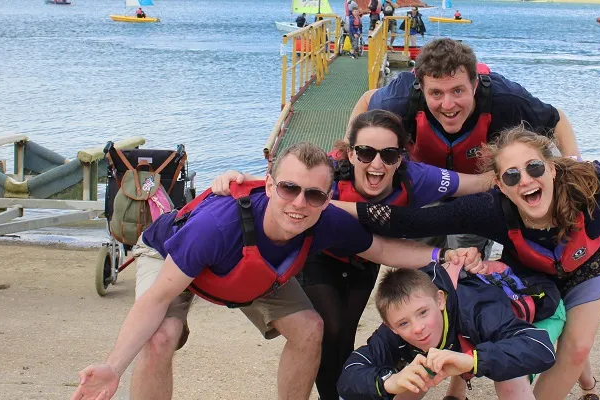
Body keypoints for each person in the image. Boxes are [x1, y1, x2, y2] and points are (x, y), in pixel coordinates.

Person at [334, 112, 600, 400]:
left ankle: (583, 388)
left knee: (574, 347)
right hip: (532, 273)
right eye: (510, 176)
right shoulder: (491, 209)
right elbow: (408, 222)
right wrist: (333, 207)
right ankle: (586, 385)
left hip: (588, 267)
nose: (524, 180)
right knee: (544, 333)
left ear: (553, 168)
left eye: (533, 168)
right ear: (501, 186)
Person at [69, 142, 482, 400]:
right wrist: (113, 367)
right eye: (289, 188)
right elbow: (156, 300)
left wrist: (442, 259)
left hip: (251, 273)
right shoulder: (215, 227)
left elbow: (380, 248)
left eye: (315, 194)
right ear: (269, 185)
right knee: (160, 336)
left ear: (326, 198)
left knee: (310, 328)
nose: (299, 203)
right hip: (173, 257)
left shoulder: (321, 218)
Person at [210, 110, 498, 400]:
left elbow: (477, 183)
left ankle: (345, 391)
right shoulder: (328, 172)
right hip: (320, 255)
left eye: (388, 155)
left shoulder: (418, 178)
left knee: (345, 335)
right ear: (349, 154)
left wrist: (520, 173)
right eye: (364, 153)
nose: (376, 163)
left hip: (365, 258)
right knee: (329, 329)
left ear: (401, 157)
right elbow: (284, 182)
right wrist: (239, 177)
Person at [348, 37, 581, 257]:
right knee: (424, 264)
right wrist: (347, 154)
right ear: (421, 88)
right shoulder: (398, 101)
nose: (448, 105)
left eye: (458, 91)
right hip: (423, 189)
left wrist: (574, 170)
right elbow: (367, 100)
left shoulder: (505, 99)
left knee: (468, 261)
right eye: (436, 93)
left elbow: (556, 120)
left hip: (477, 191)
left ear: (475, 84)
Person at [337, 265, 557, 399]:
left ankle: (588, 384)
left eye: (423, 312)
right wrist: (389, 382)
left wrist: (472, 361)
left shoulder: (477, 310)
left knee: (510, 382)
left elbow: (541, 348)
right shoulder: (392, 333)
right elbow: (349, 377)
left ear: (440, 300)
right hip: (462, 337)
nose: (417, 328)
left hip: (541, 311)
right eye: (403, 324)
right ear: (390, 326)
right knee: (406, 385)